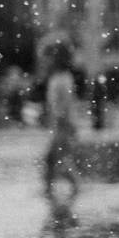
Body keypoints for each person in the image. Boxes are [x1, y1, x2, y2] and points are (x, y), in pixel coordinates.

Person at [43, 43, 81, 206]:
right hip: (61, 125)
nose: (46, 61)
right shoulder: (59, 77)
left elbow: (64, 105)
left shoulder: (63, 79)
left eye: (49, 57)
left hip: (64, 126)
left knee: (54, 160)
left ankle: (55, 193)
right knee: (57, 160)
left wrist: (62, 123)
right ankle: (55, 192)